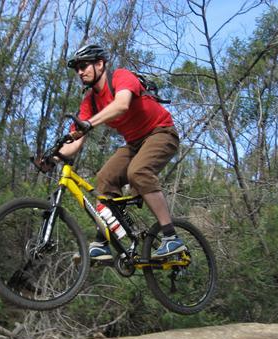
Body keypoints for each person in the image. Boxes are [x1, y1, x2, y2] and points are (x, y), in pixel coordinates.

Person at [59, 44, 185, 260]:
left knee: (138, 171)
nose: (80, 72)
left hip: (161, 132)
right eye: (77, 69)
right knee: (105, 178)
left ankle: (171, 237)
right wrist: (53, 156)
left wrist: (89, 124)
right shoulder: (90, 101)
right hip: (135, 143)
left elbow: (122, 105)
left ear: (100, 64)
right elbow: (76, 139)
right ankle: (104, 242)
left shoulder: (120, 77)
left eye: (84, 66)